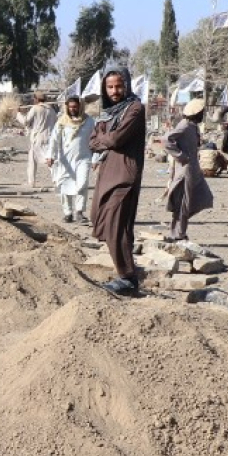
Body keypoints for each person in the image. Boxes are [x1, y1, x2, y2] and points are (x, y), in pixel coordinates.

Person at [89, 67, 146, 295]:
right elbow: (92, 142)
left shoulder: (135, 108)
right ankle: (126, 270)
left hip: (124, 174)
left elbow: (115, 139)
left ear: (127, 85)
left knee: (116, 224)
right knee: (100, 217)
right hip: (107, 172)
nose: (114, 91)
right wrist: (106, 139)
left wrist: (104, 139)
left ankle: (127, 277)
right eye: (110, 87)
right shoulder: (108, 112)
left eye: (119, 86)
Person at [162, 98, 213, 242]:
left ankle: (178, 231)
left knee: (202, 197)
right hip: (186, 170)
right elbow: (166, 140)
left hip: (194, 169)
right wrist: (181, 156)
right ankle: (178, 233)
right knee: (183, 202)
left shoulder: (193, 126)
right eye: (201, 113)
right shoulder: (184, 125)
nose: (202, 115)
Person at [45, 95, 95, 224]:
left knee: (82, 184)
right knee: (65, 185)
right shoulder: (62, 122)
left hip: (83, 158)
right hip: (65, 160)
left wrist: (96, 158)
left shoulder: (89, 121)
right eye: (70, 107)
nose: (73, 109)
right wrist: (50, 155)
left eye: (75, 107)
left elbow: (95, 140)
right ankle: (67, 213)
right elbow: (54, 140)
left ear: (80, 107)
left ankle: (79, 212)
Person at [18, 93, 57, 188]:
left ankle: (31, 182)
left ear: (36, 99)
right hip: (50, 138)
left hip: (37, 138)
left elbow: (25, 121)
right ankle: (57, 180)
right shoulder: (52, 110)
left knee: (32, 160)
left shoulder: (35, 108)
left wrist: (19, 113)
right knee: (50, 159)